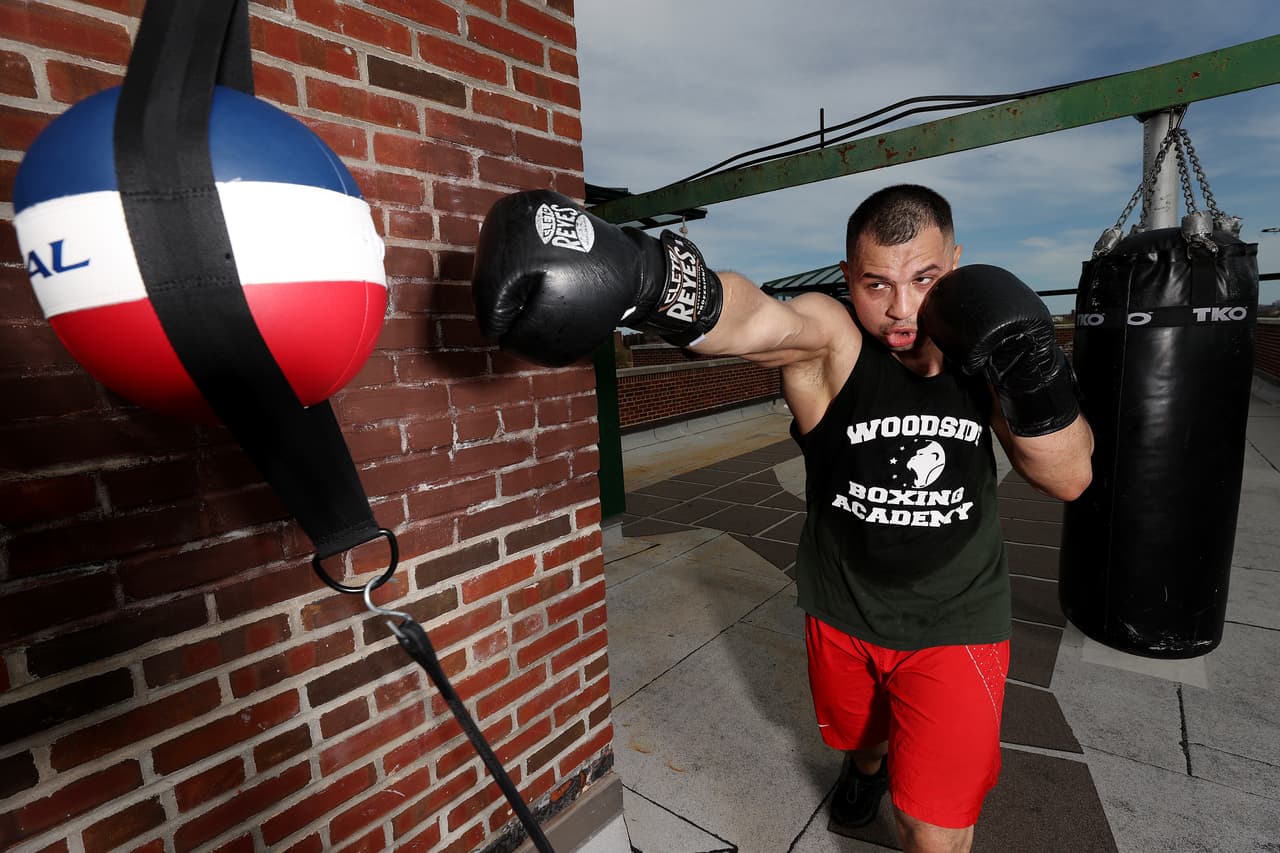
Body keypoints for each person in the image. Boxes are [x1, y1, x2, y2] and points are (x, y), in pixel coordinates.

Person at [471, 184, 1094, 853]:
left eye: (925, 277)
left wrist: (1030, 369)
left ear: (957, 260)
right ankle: (865, 767)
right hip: (841, 606)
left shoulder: (990, 351)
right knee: (863, 736)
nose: (902, 308)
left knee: (933, 828)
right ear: (848, 276)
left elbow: (1069, 475)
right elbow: (759, 320)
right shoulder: (834, 337)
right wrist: (649, 278)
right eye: (875, 284)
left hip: (959, 619)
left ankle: (886, 778)